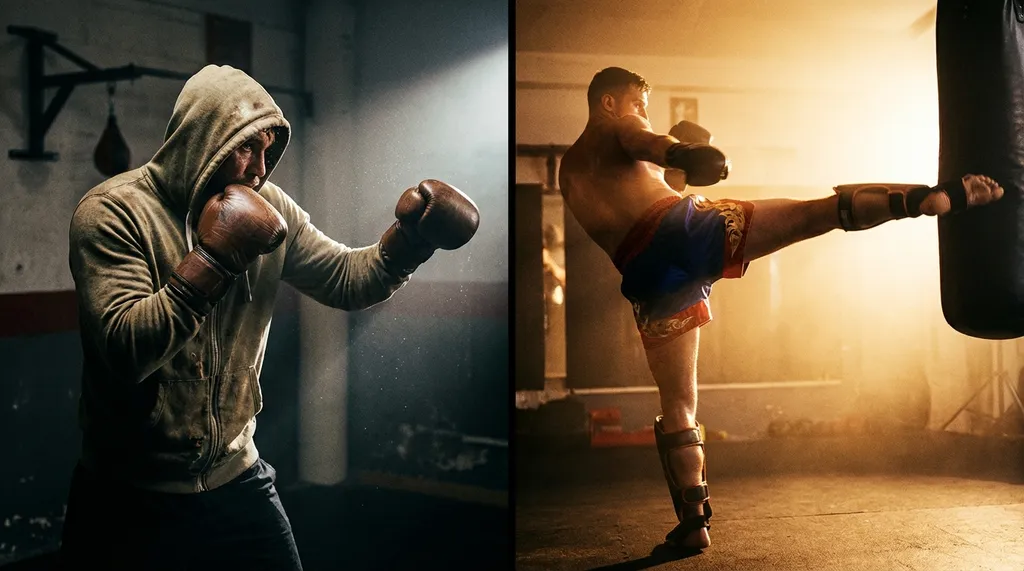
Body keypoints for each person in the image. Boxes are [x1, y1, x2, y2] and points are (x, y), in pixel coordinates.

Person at [557, 66, 1004, 551]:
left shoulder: (569, 173)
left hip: (646, 278)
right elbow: (643, 141)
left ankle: (694, 523)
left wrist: (676, 168)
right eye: (637, 102)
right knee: (819, 213)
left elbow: (637, 191)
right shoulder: (617, 126)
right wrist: (677, 151)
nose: (642, 111)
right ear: (607, 102)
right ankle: (925, 199)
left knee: (678, 407)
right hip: (681, 230)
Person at [59, 64, 480, 570]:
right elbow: (126, 351)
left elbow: (348, 278)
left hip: (237, 477)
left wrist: (409, 243)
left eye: (268, 149)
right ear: (203, 140)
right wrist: (212, 261)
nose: (260, 169)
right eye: (245, 147)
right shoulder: (113, 213)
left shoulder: (269, 206)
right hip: (128, 492)